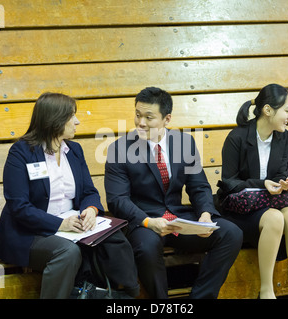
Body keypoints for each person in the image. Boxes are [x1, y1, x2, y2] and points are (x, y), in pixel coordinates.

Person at [0, 92, 139, 299]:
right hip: (31, 232)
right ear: (55, 120)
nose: (77, 122)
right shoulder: (21, 152)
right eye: (72, 116)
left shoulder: (74, 150)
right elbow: (19, 207)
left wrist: (90, 210)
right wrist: (60, 225)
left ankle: (129, 296)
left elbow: (89, 191)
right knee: (68, 252)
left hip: (72, 224)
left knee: (114, 237)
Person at [104, 86, 243, 299]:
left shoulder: (183, 142)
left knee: (231, 233)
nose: (140, 122)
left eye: (149, 117)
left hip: (178, 218)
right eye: (138, 115)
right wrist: (149, 222)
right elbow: (117, 200)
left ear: (166, 119)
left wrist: (206, 214)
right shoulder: (120, 149)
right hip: (144, 222)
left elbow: (199, 186)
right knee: (147, 248)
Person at [216, 84, 288, 299]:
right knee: (275, 218)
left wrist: (285, 183)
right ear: (268, 110)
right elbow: (229, 183)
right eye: (286, 110)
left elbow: (279, 175)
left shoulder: (283, 138)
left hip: (268, 201)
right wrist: (261, 183)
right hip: (239, 210)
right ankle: (266, 291)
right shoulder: (236, 138)